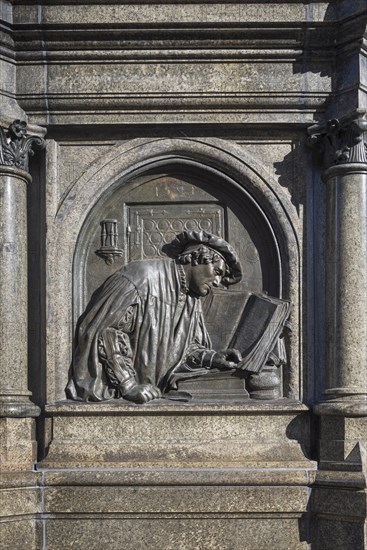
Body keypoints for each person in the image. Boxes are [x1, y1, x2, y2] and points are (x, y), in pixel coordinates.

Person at [66, 231, 243, 404]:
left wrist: (212, 358)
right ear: (198, 257)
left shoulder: (192, 299)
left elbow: (185, 350)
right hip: (127, 397)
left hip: (159, 397)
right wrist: (128, 384)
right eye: (218, 272)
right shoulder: (141, 277)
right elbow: (106, 332)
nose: (217, 283)